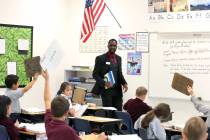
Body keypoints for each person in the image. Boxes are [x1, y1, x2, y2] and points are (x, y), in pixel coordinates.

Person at [42, 70, 107, 140]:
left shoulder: (48, 123)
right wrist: (98, 139)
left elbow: (47, 100)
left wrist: (46, 80)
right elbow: (47, 100)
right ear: (66, 112)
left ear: (52, 110)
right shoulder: (67, 130)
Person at [92, 39, 128, 111]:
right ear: (108, 46)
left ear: (116, 47)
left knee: (118, 112)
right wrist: (104, 82)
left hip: (117, 91)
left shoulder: (118, 58)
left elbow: (119, 73)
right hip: (106, 90)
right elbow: (95, 74)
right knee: (108, 113)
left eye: (114, 46)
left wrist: (124, 83)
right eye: (111, 45)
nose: (113, 47)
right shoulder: (100, 58)